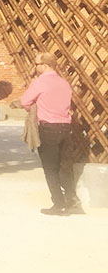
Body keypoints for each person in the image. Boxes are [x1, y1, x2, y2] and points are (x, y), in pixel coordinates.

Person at [19, 52, 83, 215]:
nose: (35, 67)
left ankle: (59, 204)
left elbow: (24, 101)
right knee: (65, 166)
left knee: (50, 168)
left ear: (45, 65)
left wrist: (33, 108)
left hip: (49, 128)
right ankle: (72, 200)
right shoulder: (64, 83)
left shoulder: (40, 82)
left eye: (37, 64)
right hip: (66, 128)